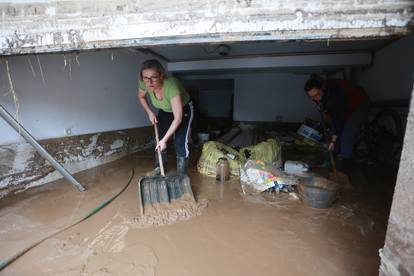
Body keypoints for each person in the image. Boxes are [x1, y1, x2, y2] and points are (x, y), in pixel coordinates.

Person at [138, 59, 194, 175]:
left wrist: (165, 140)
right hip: (165, 110)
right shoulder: (144, 84)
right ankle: (159, 167)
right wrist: (149, 112)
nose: (149, 82)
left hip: (183, 109)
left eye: (154, 77)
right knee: (159, 139)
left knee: (180, 140)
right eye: (146, 78)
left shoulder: (171, 86)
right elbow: (141, 97)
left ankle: (181, 175)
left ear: (161, 75)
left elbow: (177, 118)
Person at [304, 74, 370, 170]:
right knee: (332, 136)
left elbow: (339, 118)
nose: (315, 98)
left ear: (322, 88)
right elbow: (331, 114)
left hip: (359, 105)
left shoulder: (335, 94)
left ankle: (344, 167)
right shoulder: (320, 95)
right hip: (344, 108)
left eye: (317, 95)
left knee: (347, 134)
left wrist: (334, 140)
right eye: (312, 97)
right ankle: (330, 163)